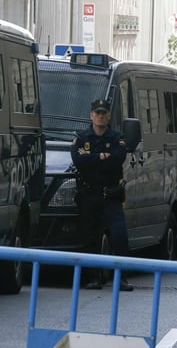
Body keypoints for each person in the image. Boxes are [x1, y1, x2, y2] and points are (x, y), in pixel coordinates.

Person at [71, 98, 133, 291]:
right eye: (97, 113)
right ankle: (93, 278)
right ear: (91, 116)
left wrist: (92, 158)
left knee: (119, 236)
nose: (100, 116)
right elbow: (78, 161)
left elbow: (117, 160)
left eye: (103, 113)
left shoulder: (117, 138)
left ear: (108, 116)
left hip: (111, 195)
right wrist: (101, 156)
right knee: (90, 238)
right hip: (89, 195)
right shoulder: (81, 137)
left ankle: (121, 278)